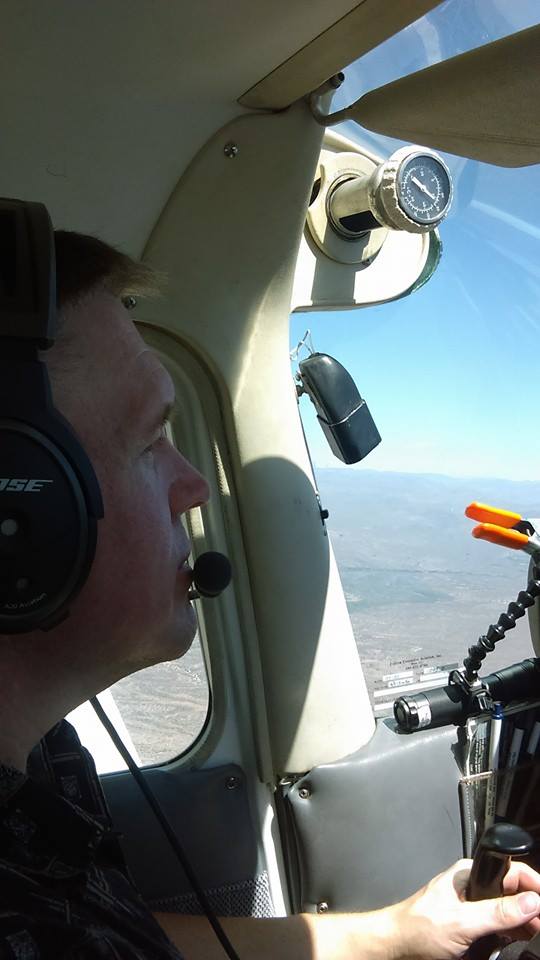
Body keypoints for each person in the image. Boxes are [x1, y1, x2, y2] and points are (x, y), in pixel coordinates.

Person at [0, 229, 539, 960]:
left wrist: (396, 934)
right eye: (152, 440)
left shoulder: (43, 759)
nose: (194, 486)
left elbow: (122, 935)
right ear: (25, 512)